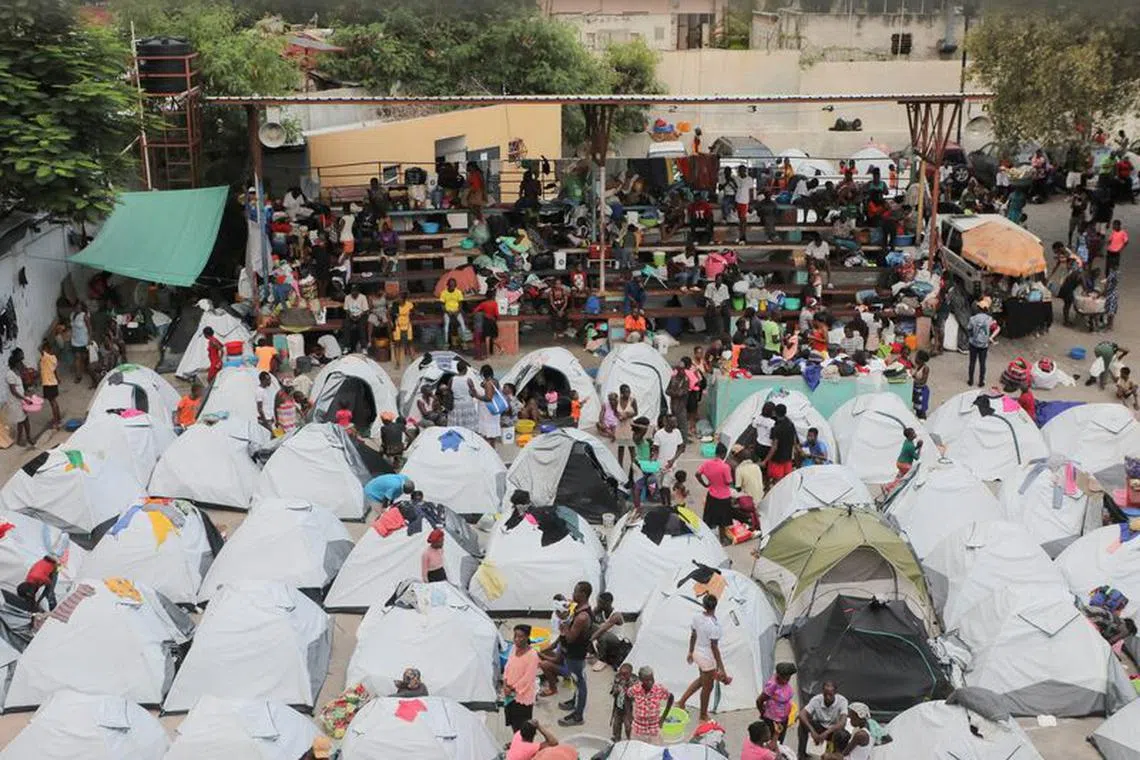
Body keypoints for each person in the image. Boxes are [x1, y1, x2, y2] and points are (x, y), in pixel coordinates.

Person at [677, 593, 728, 722]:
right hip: (707, 658)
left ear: (703, 605)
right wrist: (721, 667)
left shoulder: (697, 617)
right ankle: (703, 715)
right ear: (715, 606)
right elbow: (714, 648)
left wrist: (690, 651)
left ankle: (682, 701)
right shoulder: (714, 626)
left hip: (697, 653)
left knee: (702, 680)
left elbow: (693, 635)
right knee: (707, 688)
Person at [556, 581, 592, 726]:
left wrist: (564, 627)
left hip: (576, 655)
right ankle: (574, 701)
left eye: (575, 591)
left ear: (583, 594)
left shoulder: (582, 617)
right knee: (576, 681)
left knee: (580, 683)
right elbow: (570, 604)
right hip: (572, 654)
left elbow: (570, 638)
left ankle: (578, 716)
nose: (573, 594)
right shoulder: (580, 609)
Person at [502, 623, 541, 732]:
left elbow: (528, 678)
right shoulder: (514, 648)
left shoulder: (532, 655)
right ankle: (516, 741)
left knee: (522, 724)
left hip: (522, 695)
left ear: (527, 637)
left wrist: (512, 689)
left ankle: (522, 745)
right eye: (515, 636)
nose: (517, 639)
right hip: (509, 692)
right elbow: (507, 667)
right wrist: (505, 684)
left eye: (520, 636)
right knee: (513, 720)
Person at [796, 681, 849, 760]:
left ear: (835, 693)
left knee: (842, 734)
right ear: (822, 692)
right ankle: (802, 755)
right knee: (802, 725)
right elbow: (802, 714)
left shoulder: (842, 701)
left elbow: (843, 722)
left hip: (832, 730)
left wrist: (826, 733)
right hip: (819, 727)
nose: (828, 697)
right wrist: (813, 731)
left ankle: (835, 756)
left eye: (830, 695)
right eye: (825, 694)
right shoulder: (816, 699)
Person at [625, 666, 674, 744]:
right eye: (647, 680)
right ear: (640, 679)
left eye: (652, 679)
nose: (650, 682)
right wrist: (629, 715)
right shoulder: (635, 689)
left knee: (654, 751)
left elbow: (670, 697)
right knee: (636, 750)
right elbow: (627, 697)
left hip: (654, 729)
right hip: (638, 728)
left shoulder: (659, 689)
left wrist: (663, 717)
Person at [696, 443, 733, 543]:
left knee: (708, 518)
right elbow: (728, 482)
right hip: (724, 497)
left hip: (712, 495)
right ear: (724, 454)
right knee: (722, 521)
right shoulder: (725, 467)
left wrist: (705, 484)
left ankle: (705, 539)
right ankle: (723, 539)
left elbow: (697, 474)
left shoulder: (707, 464)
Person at [756, 662, 797, 741]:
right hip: (773, 720)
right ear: (779, 675)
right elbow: (759, 701)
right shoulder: (772, 685)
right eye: (784, 678)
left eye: (788, 678)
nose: (786, 680)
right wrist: (762, 713)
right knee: (773, 742)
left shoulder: (785, 683)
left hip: (784, 718)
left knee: (780, 741)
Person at [590, 592, 629, 671]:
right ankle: (590, 651)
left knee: (602, 634)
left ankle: (602, 660)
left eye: (601, 602)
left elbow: (603, 629)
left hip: (618, 641)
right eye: (598, 602)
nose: (598, 604)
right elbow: (589, 618)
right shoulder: (601, 610)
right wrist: (594, 611)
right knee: (588, 625)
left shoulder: (616, 615)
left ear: (608, 603)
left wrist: (589, 640)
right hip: (608, 636)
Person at [966, 304, 999, 387]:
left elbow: (969, 329)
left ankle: (970, 381)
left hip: (973, 344)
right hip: (984, 346)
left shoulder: (973, 318)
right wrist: (991, 337)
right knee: (982, 364)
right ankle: (981, 382)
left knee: (972, 363)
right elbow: (997, 328)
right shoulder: (989, 319)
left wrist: (972, 337)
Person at [764, 404, 797, 484]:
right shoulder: (790, 423)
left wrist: (765, 460)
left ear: (775, 412)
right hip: (788, 458)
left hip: (777, 459)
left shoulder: (777, 428)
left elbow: (774, 447)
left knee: (776, 482)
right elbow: (794, 439)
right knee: (785, 481)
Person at [6, 349, 32, 448]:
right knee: (20, 421)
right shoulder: (10, 374)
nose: (21, 364)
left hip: (22, 399)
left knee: (26, 419)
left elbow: (22, 384)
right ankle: (19, 440)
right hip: (16, 401)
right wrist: (24, 398)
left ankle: (29, 437)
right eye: (19, 363)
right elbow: (13, 391)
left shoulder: (17, 371)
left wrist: (25, 393)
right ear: (15, 363)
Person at [448, 359, 484, 431]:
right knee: (468, 425)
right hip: (467, 404)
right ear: (465, 369)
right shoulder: (468, 380)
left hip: (456, 404)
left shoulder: (452, 379)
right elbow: (473, 393)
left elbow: (449, 391)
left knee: (457, 425)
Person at [477, 364, 503, 445]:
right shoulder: (496, 381)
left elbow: (488, 398)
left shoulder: (488, 383)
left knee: (487, 432)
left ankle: (489, 448)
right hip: (495, 408)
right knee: (492, 431)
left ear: (483, 374)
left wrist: (477, 396)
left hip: (488, 410)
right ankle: (493, 446)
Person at [614, 385, 640, 468]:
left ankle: (633, 464)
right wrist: (618, 416)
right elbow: (615, 411)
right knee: (621, 446)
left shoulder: (632, 400)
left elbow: (636, 412)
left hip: (629, 426)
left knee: (631, 446)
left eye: (629, 392)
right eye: (626, 392)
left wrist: (627, 415)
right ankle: (620, 464)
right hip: (620, 426)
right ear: (621, 393)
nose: (628, 394)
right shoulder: (617, 401)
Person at [610, 663, 636, 742]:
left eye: (625, 675)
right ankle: (617, 738)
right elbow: (613, 690)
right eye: (621, 674)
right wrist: (616, 690)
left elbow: (635, 696)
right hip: (618, 706)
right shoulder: (618, 678)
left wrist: (627, 691)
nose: (622, 677)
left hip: (628, 708)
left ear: (630, 673)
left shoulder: (634, 681)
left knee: (628, 726)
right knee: (616, 724)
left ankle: (630, 740)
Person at [38, 341, 60, 430]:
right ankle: (58, 418)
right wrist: (58, 378)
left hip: (48, 383)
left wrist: (45, 343)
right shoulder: (54, 358)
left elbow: (39, 348)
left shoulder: (46, 357)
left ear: (46, 349)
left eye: (44, 349)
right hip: (53, 382)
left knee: (52, 403)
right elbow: (54, 370)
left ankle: (56, 421)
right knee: (54, 401)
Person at [440, 278, 466, 348]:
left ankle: (464, 342)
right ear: (447, 285)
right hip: (447, 312)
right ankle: (446, 343)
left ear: (455, 285)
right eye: (450, 285)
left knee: (463, 326)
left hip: (457, 311)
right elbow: (442, 305)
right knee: (446, 327)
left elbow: (460, 304)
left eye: (453, 285)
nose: (452, 286)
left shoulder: (458, 292)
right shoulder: (444, 292)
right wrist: (447, 312)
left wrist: (457, 311)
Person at [342, 285, 370, 352]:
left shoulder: (363, 297)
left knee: (361, 327)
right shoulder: (347, 297)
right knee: (346, 325)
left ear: (358, 292)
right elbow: (346, 309)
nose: (353, 293)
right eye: (352, 292)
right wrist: (350, 315)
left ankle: (364, 347)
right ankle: (346, 346)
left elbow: (366, 310)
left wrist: (359, 315)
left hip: (361, 315)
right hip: (351, 315)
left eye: (355, 292)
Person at [70, 301, 92, 385]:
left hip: (84, 340)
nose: (78, 309)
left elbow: (90, 327)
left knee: (83, 357)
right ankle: (78, 375)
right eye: (76, 307)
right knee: (77, 357)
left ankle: (84, 370)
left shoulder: (84, 316)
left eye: (79, 307)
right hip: (74, 340)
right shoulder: (72, 315)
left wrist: (89, 339)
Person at [393, 292, 415, 369]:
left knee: (410, 342)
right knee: (397, 344)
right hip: (398, 325)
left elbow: (413, 312)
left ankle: (413, 359)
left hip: (407, 325)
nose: (398, 299)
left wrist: (412, 315)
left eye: (399, 298)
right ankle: (398, 362)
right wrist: (391, 322)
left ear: (404, 299)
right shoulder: (395, 305)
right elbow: (389, 313)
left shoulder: (409, 305)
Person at [734, 165, 756, 243]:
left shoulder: (749, 179)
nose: (740, 172)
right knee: (740, 219)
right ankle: (741, 236)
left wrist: (751, 203)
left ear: (745, 171)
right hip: (738, 200)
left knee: (743, 219)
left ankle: (743, 236)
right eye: (739, 171)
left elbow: (751, 191)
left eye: (742, 170)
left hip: (745, 201)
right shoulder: (736, 179)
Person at [911, 349, 931, 419]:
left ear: (922, 360)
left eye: (917, 358)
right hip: (915, 390)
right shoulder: (917, 366)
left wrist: (913, 380)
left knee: (921, 410)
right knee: (916, 408)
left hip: (921, 391)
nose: (915, 359)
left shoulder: (925, 369)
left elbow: (923, 381)